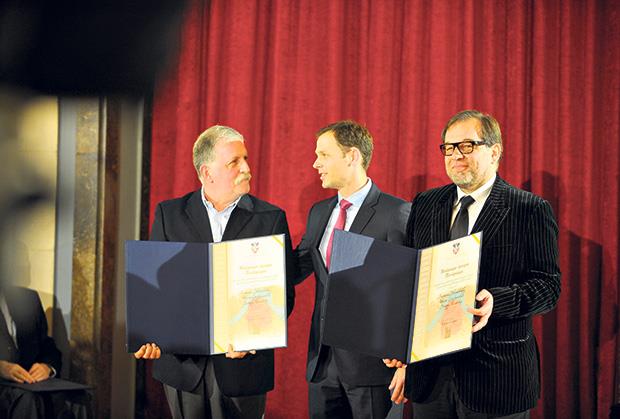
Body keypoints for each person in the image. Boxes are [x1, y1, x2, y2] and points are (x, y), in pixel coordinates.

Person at [394, 110, 561, 418]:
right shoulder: (425, 203)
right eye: (449, 147)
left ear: (494, 151)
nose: (456, 155)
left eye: (467, 145)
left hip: (497, 377)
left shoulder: (529, 209)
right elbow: (410, 281)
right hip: (431, 378)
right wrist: (399, 349)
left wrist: (497, 301)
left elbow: (548, 287)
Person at [134, 125, 295, 419]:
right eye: (234, 162)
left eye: (245, 159)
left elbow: (284, 295)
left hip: (242, 369)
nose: (246, 168)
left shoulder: (270, 218)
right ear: (207, 173)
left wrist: (253, 338)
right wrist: (148, 334)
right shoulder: (170, 214)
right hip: (183, 367)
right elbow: (154, 287)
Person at [294, 120, 411, 419]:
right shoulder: (319, 212)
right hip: (322, 364)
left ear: (352, 156)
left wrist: (408, 359)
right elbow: (297, 267)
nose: (315, 163)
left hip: (372, 367)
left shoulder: (395, 212)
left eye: (324, 155)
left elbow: (408, 290)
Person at [0, 285, 62, 418]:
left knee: (77, 397)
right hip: (4, 387)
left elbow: (47, 346)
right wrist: (1, 368)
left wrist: (47, 367)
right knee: (27, 399)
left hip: (31, 381)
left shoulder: (29, 298)